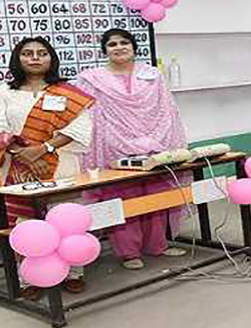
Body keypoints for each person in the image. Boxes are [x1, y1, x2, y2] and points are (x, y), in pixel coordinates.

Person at [0, 37, 94, 297]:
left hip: (62, 165)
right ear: (18, 58)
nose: (35, 57)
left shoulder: (68, 92)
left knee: (66, 216)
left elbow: (80, 128)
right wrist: (23, 154)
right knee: (25, 224)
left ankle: (74, 272)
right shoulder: (5, 92)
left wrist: (44, 149)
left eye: (42, 53)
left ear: (51, 58)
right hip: (18, 167)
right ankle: (28, 278)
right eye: (28, 53)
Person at [76, 28, 188, 270]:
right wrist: (116, 142)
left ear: (134, 47)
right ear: (104, 50)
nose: (119, 47)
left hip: (155, 145)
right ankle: (128, 253)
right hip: (114, 148)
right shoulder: (93, 79)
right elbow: (92, 118)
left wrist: (158, 140)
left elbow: (166, 110)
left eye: (124, 42)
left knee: (157, 196)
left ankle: (158, 245)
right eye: (112, 44)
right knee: (123, 200)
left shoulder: (152, 75)